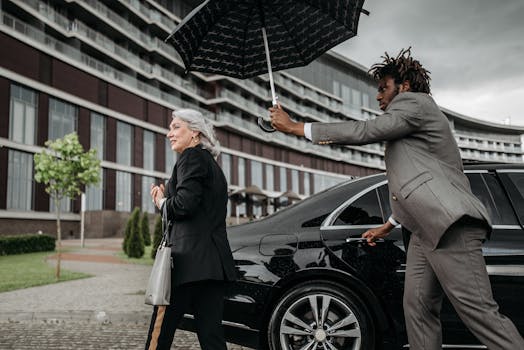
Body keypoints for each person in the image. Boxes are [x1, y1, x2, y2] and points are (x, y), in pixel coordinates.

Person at [269, 48, 524, 350]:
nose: (377, 97)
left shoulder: (416, 105)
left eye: (383, 88)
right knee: (418, 310)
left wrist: (297, 127)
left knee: (479, 313)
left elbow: (366, 130)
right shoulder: (408, 125)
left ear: (404, 87)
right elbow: (417, 183)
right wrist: (388, 225)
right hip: (422, 230)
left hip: (450, 226)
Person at [145, 109, 236, 350]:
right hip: (213, 267)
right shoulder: (214, 167)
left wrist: (161, 202)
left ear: (194, 133)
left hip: (186, 265)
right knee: (212, 338)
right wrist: (166, 203)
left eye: (176, 127)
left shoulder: (190, 158)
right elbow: (196, 211)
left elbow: (184, 205)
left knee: (159, 334)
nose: (169, 134)